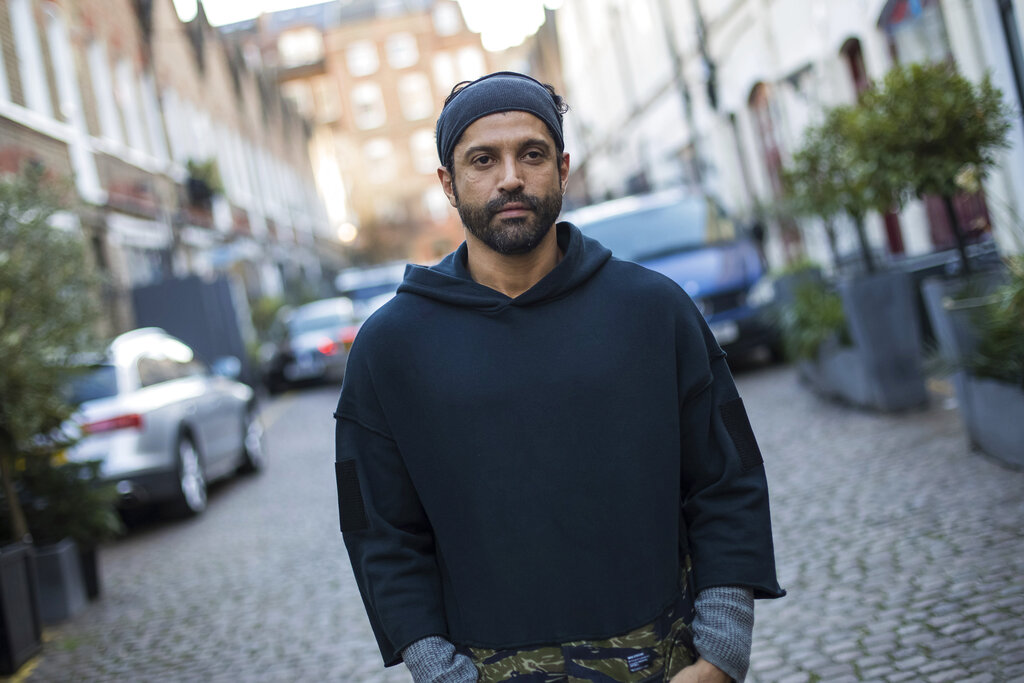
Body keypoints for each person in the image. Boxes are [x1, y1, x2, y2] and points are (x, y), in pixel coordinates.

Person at [334, 71, 784, 683]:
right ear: (448, 182)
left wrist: (722, 652)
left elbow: (726, 479)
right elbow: (380, 533)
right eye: (483, 160)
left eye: (532, 154)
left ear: (564, 168)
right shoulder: (389, 349)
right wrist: (439, 672)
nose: (510, 177)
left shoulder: (654, 311)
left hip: (667, 657)